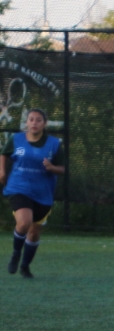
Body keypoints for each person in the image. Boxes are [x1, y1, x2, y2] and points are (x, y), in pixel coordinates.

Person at [1, 108, 65, 279]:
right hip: (19, 188)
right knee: (24, 222)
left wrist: (52, 167)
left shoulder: (54, 144)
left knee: (34, 232)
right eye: (31, 119)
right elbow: (4, 154)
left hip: (43, 193)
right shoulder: (16, 139)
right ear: (26, 122)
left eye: (38, 120)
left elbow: (62, 169)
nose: (34, 123)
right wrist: (2, 171)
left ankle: (25, 266)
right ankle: (16, 253)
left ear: (44, 123)